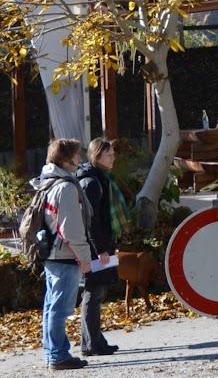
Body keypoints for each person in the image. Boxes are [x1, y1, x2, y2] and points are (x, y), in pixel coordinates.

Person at [36, 138, 92, 371]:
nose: (80, 158)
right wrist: (85, 258)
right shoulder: (67, 187)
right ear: (66, 159)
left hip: (50, 253)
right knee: (60, 309)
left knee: (51, 307)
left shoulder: (47, 182)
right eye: (77, 154)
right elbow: (71, 229)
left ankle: (52, 353)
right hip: (64, 255)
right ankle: (59, 356)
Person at [77, 138, 126, 357]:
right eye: (108, 155)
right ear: (97, 156)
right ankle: (92, 343)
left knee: (96, 293)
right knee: (93, 293)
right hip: (95, 247)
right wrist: (100, 249)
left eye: (113, 154)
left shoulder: (101, 179)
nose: (113, 158)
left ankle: (92, 341)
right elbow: (91, 221)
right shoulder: (92, 182)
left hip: (100, 244)